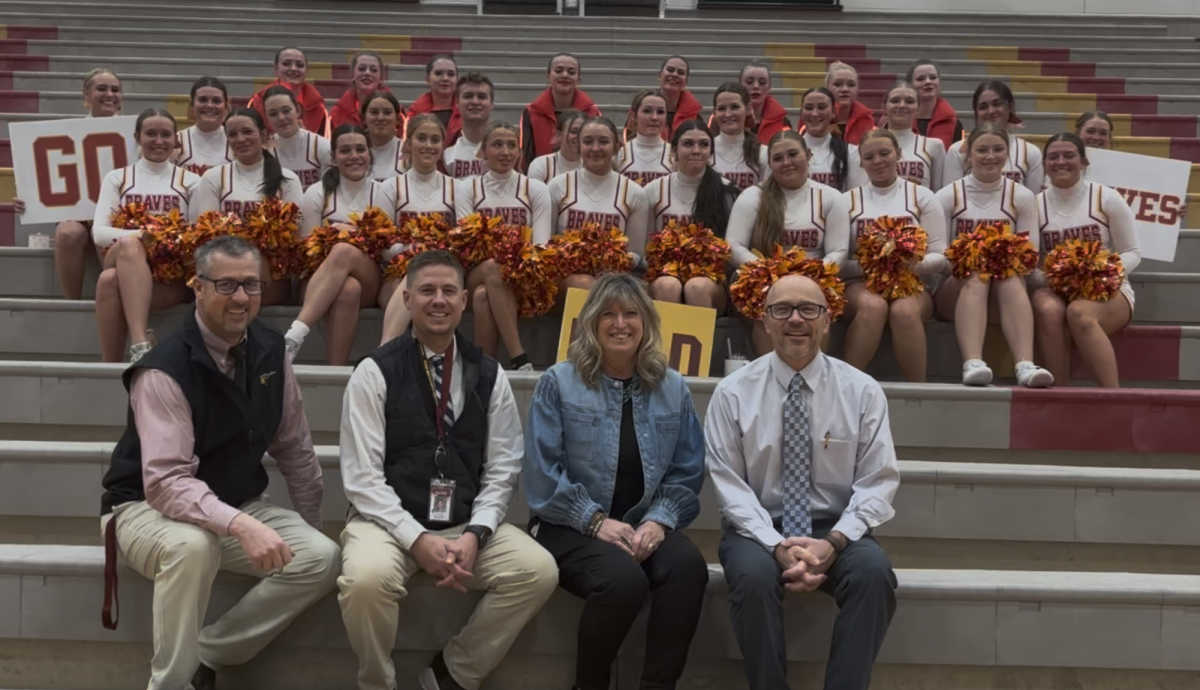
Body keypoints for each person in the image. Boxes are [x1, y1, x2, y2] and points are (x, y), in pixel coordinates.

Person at [99, 235, 340, 690]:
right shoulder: (162, 370)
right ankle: (169, 684)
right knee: (192, 547)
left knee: (321, 557)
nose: (242, 298)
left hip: (233, 505)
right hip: (142, 510)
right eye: (226, 285)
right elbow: (167, 483)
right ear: (197, 286)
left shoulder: (272, 350)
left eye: (252, 285)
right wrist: (241, 526)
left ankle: (208, 654)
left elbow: (295, 448)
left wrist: (307, 525)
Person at [337, 249, 558, 690]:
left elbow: (502, 469)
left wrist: (476, 534)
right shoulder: (373, 371)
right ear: (406, 299)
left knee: (538, 570)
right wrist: (416, 540)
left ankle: (453, 673)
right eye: (426, 290)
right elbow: (362, 479)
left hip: (461, 525)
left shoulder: (490, 374)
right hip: (385, 523)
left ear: (463, 301)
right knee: (365, 579)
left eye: (448, 291)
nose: (438, 300)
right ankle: (376, 682)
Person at [705, 273, 900, 690]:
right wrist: (776, 546)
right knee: (754, 579)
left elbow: (878, 482)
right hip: (756, 529)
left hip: (834, 528)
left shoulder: (862, 391)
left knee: (874, 574)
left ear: (827, 320)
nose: (796, 319)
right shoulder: (732, 393)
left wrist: (833, 543)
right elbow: (730, 487)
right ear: (766, 319)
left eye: (808, 309)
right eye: (782, 309)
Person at [524, 273, 708, 690]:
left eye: (630, 313)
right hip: (566, 525)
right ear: (591, 322)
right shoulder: (559, 382)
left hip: (641, 522)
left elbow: (687, 468)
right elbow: (541, 472)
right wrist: (594, 522)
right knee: (624, 580)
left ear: (646, 322)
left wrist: (659, 522)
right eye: (608, 313)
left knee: (688, 567)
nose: (620, 323)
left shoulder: (672, 387)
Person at [934, 124, 1053, 387]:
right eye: (982, 149)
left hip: (1004, 292)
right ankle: (973, 363)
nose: (990, 156)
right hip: (955, 289)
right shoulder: (947, 195)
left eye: (998, 149)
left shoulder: (1021, 196)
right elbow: (939, 259)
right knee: (978, 275)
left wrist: (999, 259)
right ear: (968, 155)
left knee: (1009, 276)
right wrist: (972, 258)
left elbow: (1029, 257)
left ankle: (1024, 364)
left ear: (1007, 153)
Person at [93, 108, 202, 364]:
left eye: (166, 134)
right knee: (130, 246)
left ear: (177, 140)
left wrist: (162, 243)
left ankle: (110, 366)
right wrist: (145, 235)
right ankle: (141, 342)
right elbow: (99, 233)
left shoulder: (192, 181)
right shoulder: (117, 177)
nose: (159, 141)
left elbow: (196, 236)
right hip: (124, 256)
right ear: (137, 137)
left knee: (109, 281)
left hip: (169, 275)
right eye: (151, 134)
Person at [1031, 133, 1140, 388]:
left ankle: (1113, 398)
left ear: (1084, 162)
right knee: (1047, 310)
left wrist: (1099, 273)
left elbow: (1133, 252)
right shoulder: (1034, 205)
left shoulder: (1106, 197)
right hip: (1054, 287)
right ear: (1045, 164)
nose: (1061, 162)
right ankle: (1059, 395)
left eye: (1069, 155)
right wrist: (1060, 279)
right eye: (1053, 156)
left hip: (1108, 287)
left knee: (1079, 312)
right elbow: (1029, 267)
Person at [727, 130, 849, 356]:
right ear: (770, 163)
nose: (786, 163)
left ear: (808, 155)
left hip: (814, 278)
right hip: (761, 279)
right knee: (769, 304)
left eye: (793, 154)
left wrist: (812, 273)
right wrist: (767, 272)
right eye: (778, 158)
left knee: (815, 307)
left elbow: (839, 250)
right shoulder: (752, 196)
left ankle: (816, 377)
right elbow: (733, 245)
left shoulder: (831, 197)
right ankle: (771, 379)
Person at [842, 129, 947, 383]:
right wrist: (872, 266)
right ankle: (844, 387)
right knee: (872, 306)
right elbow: (839, 262)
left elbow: (941, 257)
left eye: (884, 153)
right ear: (861, 162)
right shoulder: (846, 201)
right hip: (860, 283)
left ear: (898, 154)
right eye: (869, 157)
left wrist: (909, 266)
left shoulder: (923, 197)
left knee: (904, 311)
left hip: (913, 283)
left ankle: (918, 392)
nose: (877, 161)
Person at [287, 125, 390, 365]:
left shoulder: (384, 192)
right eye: (345, 150)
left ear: (369, 153)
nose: (354, 156)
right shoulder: (315, 193)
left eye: (360, 149)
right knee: (348, 289)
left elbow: (388, 247)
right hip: (317, 279)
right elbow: (305, 249)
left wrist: (349, 233)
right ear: (333, 157)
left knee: (344, 250)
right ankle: (336, 372)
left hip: (371, 278)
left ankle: (296, 333)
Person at [456, 120, 553, 371]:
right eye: (497, 145)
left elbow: (540, 247)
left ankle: (483, 369)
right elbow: (468, 242)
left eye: (512, 145)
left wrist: (513, 259)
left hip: (522, 275)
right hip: (477, 270)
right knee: (492, 268)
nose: (505, 152)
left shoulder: (536, 188)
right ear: (483, 150)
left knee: (482, 297)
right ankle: (519, 356)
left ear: (520, 152)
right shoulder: (468, 187)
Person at [22, 69, 125, 300]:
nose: (109, 94)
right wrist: (28, 199)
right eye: (101, 88)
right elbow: (45, 178)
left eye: (115, 89)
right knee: (67, 233)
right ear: (86, 93)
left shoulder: (138, 132)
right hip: (75, 211)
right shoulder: (65, 132)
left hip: (118, 214)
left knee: (106, 236)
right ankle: (72, 305)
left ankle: (116, 301)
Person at [193, 108, 305, 306]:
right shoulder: (213, 177)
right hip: (223, 268)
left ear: (263, 135)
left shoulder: (288, 180)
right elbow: (206, 233)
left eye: (247, 132)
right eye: (233, 134)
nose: (240, 139)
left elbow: (293, 238)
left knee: (251, 260)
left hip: (272, 276)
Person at [645, 119, 741, 311]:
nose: (696, 150)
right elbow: (644, 249)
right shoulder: (653, 190)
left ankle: (705, 341)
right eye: (688, 144)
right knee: (668, 285)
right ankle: (661, 341)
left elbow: (731, 250)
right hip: (663, 276)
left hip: (710, 281)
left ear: (711, 153)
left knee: (696, 287)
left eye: (704, 145)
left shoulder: (727, 191)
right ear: (673, 150)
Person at [378, 114, 458, 345]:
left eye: (435, 140)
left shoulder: (456, 187)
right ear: (408, 143)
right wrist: (419, 251)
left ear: (443, 146)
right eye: (421, 138)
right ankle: (387, 353)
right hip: (395, 276)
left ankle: (386, 353)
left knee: (422, 284)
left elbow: (464, 243)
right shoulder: (390, 187)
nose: (428, 145)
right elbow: (383, 246)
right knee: (412, 282)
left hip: (444, 277)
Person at [548, 116, 650, 295]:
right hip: (565, 279)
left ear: (616, 147)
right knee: (583, 283)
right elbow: (546, 244)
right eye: (588, 142)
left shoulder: (634, 193)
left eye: (603, 141)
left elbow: (634, 255)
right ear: (578, 146)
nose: (595, 148)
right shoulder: (558, 186)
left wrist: (606, 265)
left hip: (614, 280)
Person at [945, 81, 1043, 194]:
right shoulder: (957, 151)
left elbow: (1034, 202)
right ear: (976, 113)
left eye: (997, 104)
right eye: (983, 107)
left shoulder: (1030, 152)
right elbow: (950, 199)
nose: (990, 111)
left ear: (1010, 106)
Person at [521, 52, 601, 167]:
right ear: (548, 76)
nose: (565, 75)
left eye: (571, 72)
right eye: (558, 70)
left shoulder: (592, 112)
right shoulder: (532, 112)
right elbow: (527, 155)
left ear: (578, 79)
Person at [262, 85, 332, 190]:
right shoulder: (264, 152)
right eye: (273, 114)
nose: (281, 118)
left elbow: (329, 193)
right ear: (266, 118)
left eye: (286, 111)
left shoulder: (323, 146)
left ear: (298, 110)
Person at [249, 46, 330, 137]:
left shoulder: (317, 106)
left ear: (307, 70)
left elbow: (322, 145)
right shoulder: (257, 102)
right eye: (286, 64)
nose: (293, 69)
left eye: (300, 65)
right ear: (276, 69)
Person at [880, 82, 945, 190]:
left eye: (909, 101)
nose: (901, 105)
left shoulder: (934, 146)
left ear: (918, 109)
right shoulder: (867, 147)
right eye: (895, 100)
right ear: (884, 108)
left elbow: (939, 193)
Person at [799, 87, 866, 193]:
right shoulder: (788, 153)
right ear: (801, 112)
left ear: (833, 112)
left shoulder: (851, 152)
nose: (815, 113)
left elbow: (856, 197)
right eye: (809, 108)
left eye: (821, 107)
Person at [711, 82, 769, 190]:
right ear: (714, 112)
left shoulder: (764, 154)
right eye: (721, 108)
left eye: (734, 107)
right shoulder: (705, 151)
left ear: (748, 109)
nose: (727, 114)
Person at [174, 77, 233, 177]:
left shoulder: (238, 141)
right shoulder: (175, 141)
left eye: (217, 101)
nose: (209, 105)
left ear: (226, 107)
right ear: (192, 106)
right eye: (203, 100)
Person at [615, 89, 674, 187]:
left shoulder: (675, 156)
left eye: (660, 112)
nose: (654, 117)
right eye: (647, 111)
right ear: (634, 116)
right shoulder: (619, 155)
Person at [444, 73, 496, 179]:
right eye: (468, 96)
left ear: (492, 103)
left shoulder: (508, 145)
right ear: (457, 103)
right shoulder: (443, 146)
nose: (475, 101)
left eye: (482, 97)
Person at [330, 51, 398, 131]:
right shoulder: (338, 112)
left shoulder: (396, 112)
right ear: (352, 75)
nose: (367, 73)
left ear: (381, 78)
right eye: (362, 69)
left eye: (373, 70)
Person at [905, 59, 963, 149]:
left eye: (933, 77)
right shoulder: (897, 121)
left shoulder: (955, 123)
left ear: (940, 84)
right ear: (909, 85)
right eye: (920, 79)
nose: (928, 82)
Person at [407, 54, 462, 140]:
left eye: (451, 74)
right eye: (438, 73)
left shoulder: (466, 111)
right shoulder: (415, 113)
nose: (445, 78)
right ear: (427, 79)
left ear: (457, 80)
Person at [739, 60, 792, 145]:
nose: (756, 86)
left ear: (769, 87)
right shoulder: (726, 117)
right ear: (740, 85)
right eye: (749, 82)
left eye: (762, 82)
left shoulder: (782, 122)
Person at [527, 109, 585, 184]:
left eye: (583, 132)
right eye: (574, 131)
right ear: (558, 134)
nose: (579, 136)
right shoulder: (541, 165)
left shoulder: (593, 165)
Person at [825, 62, 873, 146]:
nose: (845, 89)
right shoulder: (815, 117)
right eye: (838, 84)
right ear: (827, 88)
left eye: (851, 84)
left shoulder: (867, 120)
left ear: (858, 89)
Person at [363, 91, 406, 181]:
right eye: (374, 112)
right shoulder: (351, 152)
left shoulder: (408, 152)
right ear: (364, 118)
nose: (380, 118)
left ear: (397, 119)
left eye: (387, 112)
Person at [658, 55, 703, 139]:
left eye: (681, 72)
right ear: (659, 75)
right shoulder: (641, 110)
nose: (675, 74)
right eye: (670, 70)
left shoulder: (695, 118)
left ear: (686, 82)